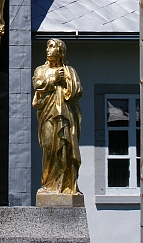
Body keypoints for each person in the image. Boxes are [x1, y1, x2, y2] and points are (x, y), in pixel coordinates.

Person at [32, 38, 82, 194]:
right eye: (47, 47)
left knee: (66, 148)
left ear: (60, 51)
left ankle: (67, 185)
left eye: (52, 47)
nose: (48, 50)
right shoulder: (41, 70)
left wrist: (66, 81)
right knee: (49, 148)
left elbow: (77, 91)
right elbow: (37, 85)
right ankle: (48, 184)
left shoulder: (70, 71)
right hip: (48, 114)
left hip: (66, 116)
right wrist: (54, 78)